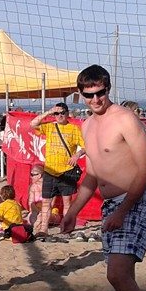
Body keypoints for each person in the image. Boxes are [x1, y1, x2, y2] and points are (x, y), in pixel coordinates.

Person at [60, 66, 146, 291]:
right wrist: (72, 212)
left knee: (117, 274)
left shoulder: (125, 119)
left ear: (108, 89)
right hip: (111, 204)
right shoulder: (87, 125)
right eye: (89, 95)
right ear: (80, 95)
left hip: (134, 199)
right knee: (120, 277)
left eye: (100, 93)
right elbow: (92, 175)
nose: (95, 100)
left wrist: (122, 210)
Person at [29, 101, 84, 240]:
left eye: (62, 113)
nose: (59, 116)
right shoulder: (50, 127)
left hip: (67, 171)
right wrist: (49, 112)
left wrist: (77, 155)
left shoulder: (74, 129)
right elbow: (32, 124)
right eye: (57, 113)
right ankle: (44, 229)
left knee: (67, 203)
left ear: (67, 113)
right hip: (50, 171)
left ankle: (66, 229)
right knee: (46, 202)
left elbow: (86, 146)